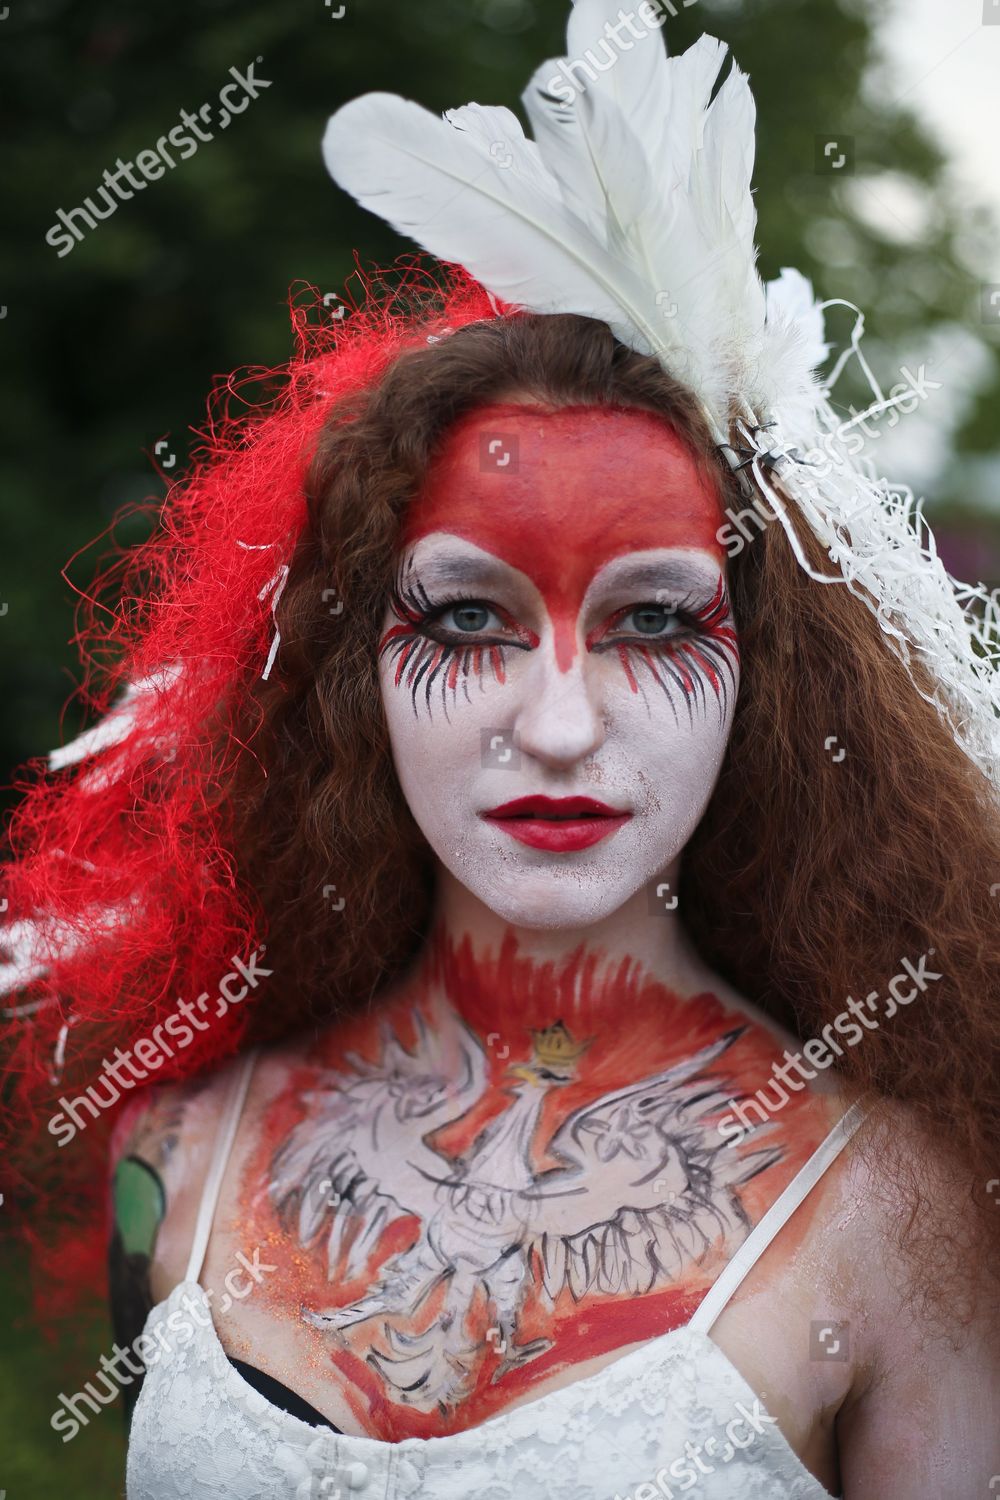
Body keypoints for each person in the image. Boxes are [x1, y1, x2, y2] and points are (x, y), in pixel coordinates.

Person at [3, 5, 999, 1499]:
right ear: (352, 670)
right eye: (465, 618)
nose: (555, 721)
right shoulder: (173, 1148)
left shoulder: (905, 1211)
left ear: (771, 680)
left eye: (655, 623)